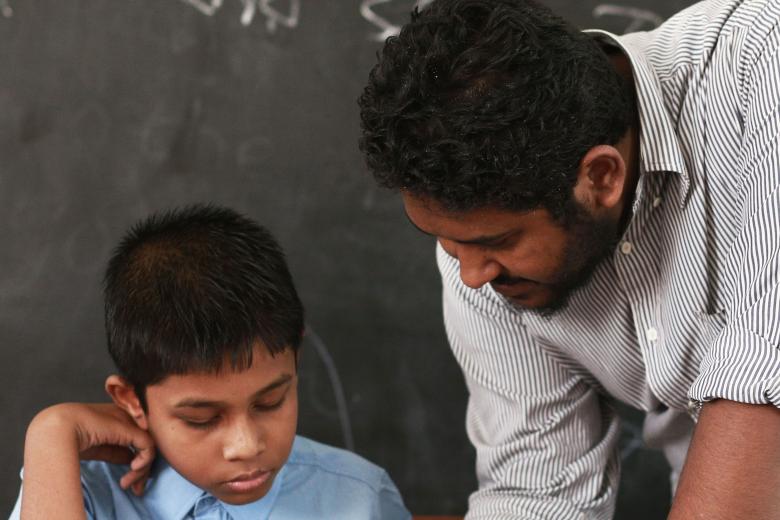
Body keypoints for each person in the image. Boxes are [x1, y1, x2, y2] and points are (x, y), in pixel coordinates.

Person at [358, 0, 780, 518]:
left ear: (601, 177)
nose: (471, 275)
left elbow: (765, 362)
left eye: (497, 242)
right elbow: (539, 492)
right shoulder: (484, 264)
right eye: (446, 241)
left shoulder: (759, 63)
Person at [10, 205, 411, 520]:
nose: (246, 446)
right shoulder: (75, 493)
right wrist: (50, 430)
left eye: (271, 402)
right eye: (201, 419)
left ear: (295, 360)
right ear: (132, 400)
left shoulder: (358, 496)